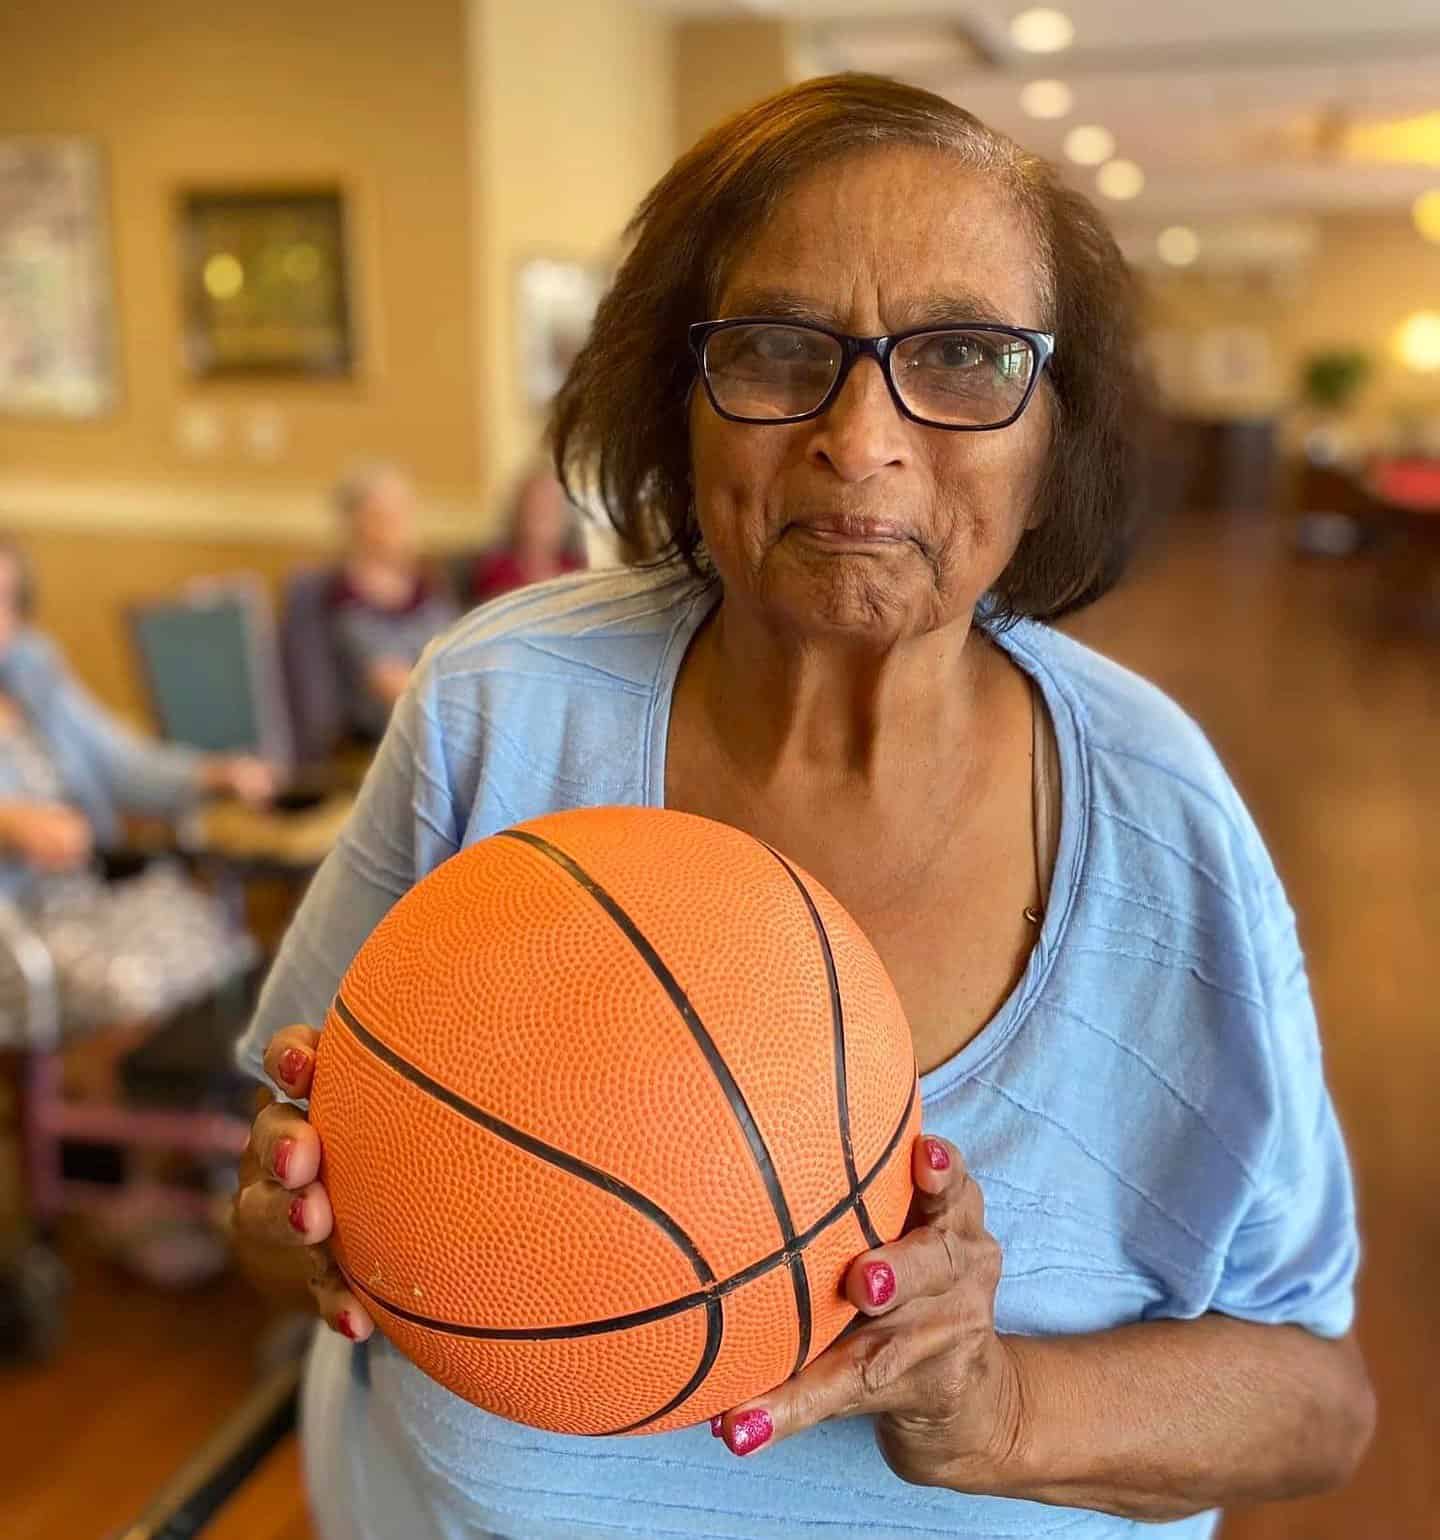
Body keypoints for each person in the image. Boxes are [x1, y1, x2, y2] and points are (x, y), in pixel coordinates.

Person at [231, 75, 1373, 1540]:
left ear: (1055, 440)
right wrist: (301, 1229)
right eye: (779, 348)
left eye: (963, 355)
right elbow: (277, 1194)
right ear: (678, 403)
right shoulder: (502, 709)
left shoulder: (1166, 820)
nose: (861, 435)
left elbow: (1319, 1398)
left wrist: (997, 1409)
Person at [0, 537, 275, 1037]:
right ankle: (108, 1080)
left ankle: (187, 1079)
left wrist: (207, 773)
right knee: (132, 983)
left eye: (7, 601)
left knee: (215, 936)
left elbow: (119, 761)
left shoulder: (31, 671)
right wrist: (7, 822)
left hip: (82, 894)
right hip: (15, 927)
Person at [325, 463, 459, 742]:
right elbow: (390, 683)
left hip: (442, 720)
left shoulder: (430, 588)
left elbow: (458, 655)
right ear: (356, 523)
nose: (400, 526)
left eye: (403, 512)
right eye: (383, 516)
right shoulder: (343, 597)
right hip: (379, 740)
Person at [467, 464, 586, 605]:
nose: (544, 514)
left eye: (553, 506)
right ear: (519, 510)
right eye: (536, 504)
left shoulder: (578, 573)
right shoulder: (496, 570)